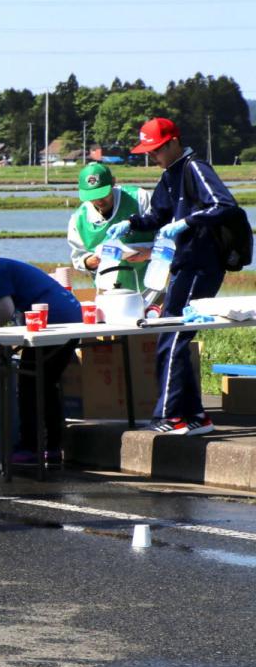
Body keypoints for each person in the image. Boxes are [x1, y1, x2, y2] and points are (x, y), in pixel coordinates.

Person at [106, 117, 238, 435]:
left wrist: (187, 223)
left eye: (156, 149)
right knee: (173, 335)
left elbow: (225, 205)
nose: (152, 156)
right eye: (148, 151)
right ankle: (195, 415)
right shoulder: (169, 174)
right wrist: (131, 224)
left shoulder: (195, 168)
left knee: (174, 335)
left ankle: (170, 415)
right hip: (181, 265)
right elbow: (158, 215)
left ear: (174, 142)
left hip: (202, 264)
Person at [0, 254, 82, 466]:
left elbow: (5, 309)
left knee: (30, 383)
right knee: (47, 383)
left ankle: (31, 447)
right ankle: (53, 448)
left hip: (52, 321)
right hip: (71, 316)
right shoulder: (1, 264)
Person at [67, 161, 153, 292]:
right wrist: (89, 262)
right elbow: (79, 257)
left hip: (149, 288)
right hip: (107, 291)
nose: (99, 201)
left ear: (113, 182)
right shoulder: (78, 219)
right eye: (93, 197)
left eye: (103, 194)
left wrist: (148, 253)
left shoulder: (139, 198)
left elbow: (167, 238)